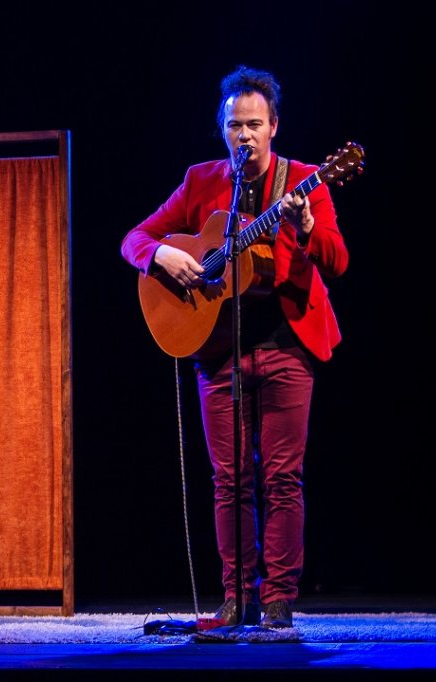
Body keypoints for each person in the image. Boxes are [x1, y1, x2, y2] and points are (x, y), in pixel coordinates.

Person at [119, 66, 349, 629]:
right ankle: (234, 598)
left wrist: (308, 225)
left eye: (253, 124)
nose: (243, 135)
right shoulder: (202, 182)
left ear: (274, 126)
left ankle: (277, 601)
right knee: (229, 479)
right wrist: (162, 256)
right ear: (222, 129)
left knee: (281, 476)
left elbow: (337, 261)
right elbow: (133, 238)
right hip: (219, 348)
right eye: (233, 125)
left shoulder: (307, 180)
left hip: (287, 345)